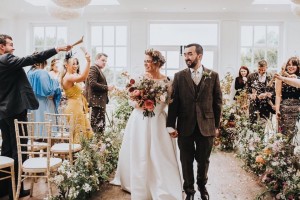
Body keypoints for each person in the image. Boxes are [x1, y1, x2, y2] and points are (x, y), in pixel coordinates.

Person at [0, 34, 71, 200]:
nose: (13, 48)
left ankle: (5, 189)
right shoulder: (6, 59)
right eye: (10, 44)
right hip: (15, 110)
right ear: (2, 47)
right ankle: (15, 191)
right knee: (19, 149)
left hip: (3, 111)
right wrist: (57, 49)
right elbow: (33, 58)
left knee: (7, 148)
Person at [111, 49, 183, 200]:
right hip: (139, 121)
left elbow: (171, 104)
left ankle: (163, 185)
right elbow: (130, 99)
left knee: (161, 154)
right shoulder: (139, 78)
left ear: (157, 63)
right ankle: (139, 185)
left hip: (159, 121)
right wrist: (138, 103)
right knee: (140, 152)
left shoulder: (167, 81)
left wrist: (173, 125)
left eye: (148, 61)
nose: (145, 64)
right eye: (144, 61)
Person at [167, 43, 222, 200]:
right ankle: (189, 191)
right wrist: (170, 125)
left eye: (190, 54)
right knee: (186, 160)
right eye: (185, 54)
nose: (186, 57)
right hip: (185, 125)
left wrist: (216, 126)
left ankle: (202, 188)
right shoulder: (179, 76)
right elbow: (174, 102)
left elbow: (218, 102)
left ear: (200, 56)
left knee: (204, 160)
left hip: (207, 125)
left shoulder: (213, 75)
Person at [61, 51, 93, 143]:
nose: (76, 66)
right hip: (73, 108)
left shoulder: (72, 76)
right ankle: (76, 156)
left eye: (76, 64)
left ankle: (81, 155)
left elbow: (83, 77)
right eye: (73, 64)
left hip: (78, 107)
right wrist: (88, 61)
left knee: (83, 133)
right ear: (66, 65)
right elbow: (83, 77)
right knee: (78, 134)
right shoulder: (67, 77)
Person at [27, 59, 62, 129]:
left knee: (34, 125)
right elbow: (47, 90)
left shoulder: (29, 72)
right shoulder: (42, 72)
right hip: (43, 103)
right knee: (45, 126)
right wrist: (55, 84)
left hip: (32, 103)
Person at [85, 53, 114, 134]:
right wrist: (107, 87)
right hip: (96, 103)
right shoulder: (93, 68)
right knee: (96, 127)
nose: (104, 62)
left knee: (100, 127)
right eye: (103, 60)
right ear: (97, 59)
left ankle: (99, 144)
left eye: (106, 61)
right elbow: (93, 84)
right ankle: (95, 145)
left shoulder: (98, 69)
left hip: (99, 103)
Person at [275, 57, 300, 137]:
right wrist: (277, 110)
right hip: (284, 109)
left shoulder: (298, 78)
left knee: (296, 134)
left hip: (298, 108)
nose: (291, 66)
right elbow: (278, 95)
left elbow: (298, 83)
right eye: (289, 65)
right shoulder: (280, 78)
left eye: (294, 65)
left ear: (298, 66)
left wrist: (283, 77)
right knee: (284, 134)